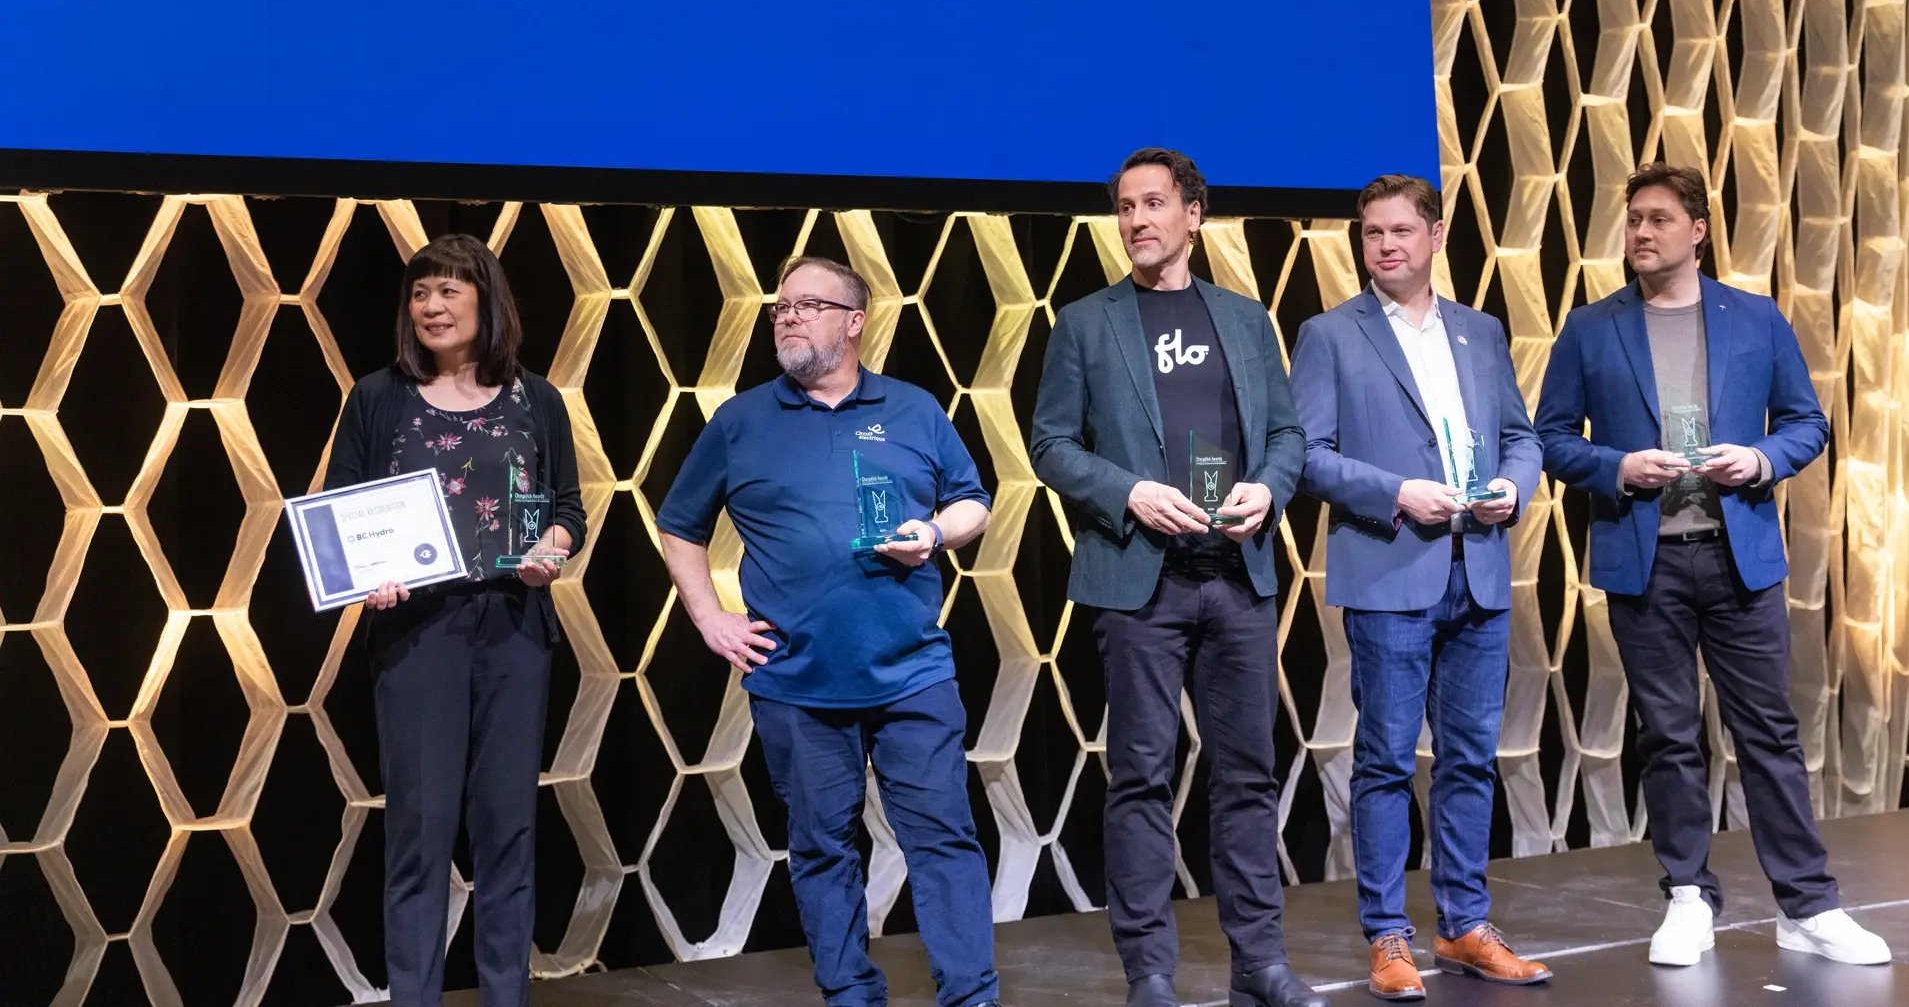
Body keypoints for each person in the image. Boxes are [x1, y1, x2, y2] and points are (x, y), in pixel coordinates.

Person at [1534, 164, 1890, 967]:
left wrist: (1760, 461)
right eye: (1632, 221)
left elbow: (1806, 421)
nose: (1640, 234)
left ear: (1698, 229)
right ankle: (1688, 896)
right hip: (1645, 560)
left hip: (1740, 559)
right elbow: (1551, 437)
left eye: (1658, 219)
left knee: (1767, 731)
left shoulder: (1755, 319)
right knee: (1667, 735)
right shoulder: (1593, 328)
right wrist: (1619, 468)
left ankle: (1808, 904)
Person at [656, 256, 1002, 1007]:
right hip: (797, 681)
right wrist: (709, 618)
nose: (787, 317)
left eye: (808, 305)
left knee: (943, 841)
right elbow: (678, 525)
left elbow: (976, 500)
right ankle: (850, 995)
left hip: (913, 670)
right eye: (782, 306)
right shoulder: (740, 421)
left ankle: (972, 997)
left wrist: (936, 534)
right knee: (821, 849)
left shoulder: (913, 409)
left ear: (854, 321)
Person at [1030, 149, 1320, 1007]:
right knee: (1143, 774)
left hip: (1236, 574)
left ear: (1194, 213)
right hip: (1139, 581)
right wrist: (1130, 493)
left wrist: (1267, 489)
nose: (1137, 221)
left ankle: (1260, 964)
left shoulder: (1245, 318)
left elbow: (1289, 438)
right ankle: (1149, 973)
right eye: (1125, 207)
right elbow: (1050, 444)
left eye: (1154, 204)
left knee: (1247, 774)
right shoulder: (1086, 323)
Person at [1288, 174, 1549, 1000]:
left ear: (1435, 237)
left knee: (1470, 758)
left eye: (1401, 230)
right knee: (1386, 762)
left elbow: (1520, 435)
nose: (1386, 245)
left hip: (1478, 566)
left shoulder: (1480, 331)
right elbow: (1308, 454)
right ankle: (1388, 936)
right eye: (1372, 234)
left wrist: (1514, 485)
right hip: (1392, 564)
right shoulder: (1331, 334)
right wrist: (1396, 492)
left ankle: (1465, 925)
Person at [324, 232, 585, 1007]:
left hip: (514, 629)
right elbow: (343, 514)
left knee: (509, 830)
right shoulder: (378, 397)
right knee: (420, 832)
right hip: (416, 636)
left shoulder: (536, 399)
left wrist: (552, 549)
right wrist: (370, 575)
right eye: (419, 292)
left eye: (448, 290)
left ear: (486, 300)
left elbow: (568, 508)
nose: (431, 306)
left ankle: (506, 996)